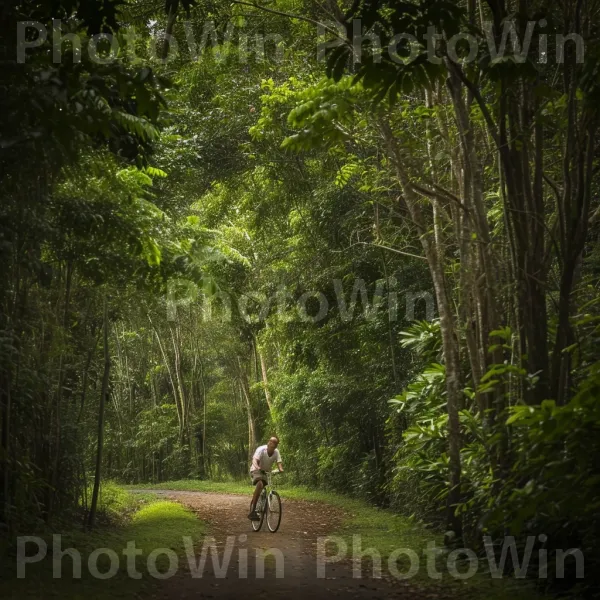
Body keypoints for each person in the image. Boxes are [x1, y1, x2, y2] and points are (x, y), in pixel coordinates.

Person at [248, 436, 283, 520]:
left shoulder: (276, 452)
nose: (271, 445)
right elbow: (254, 460)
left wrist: (281, 469)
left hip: (266, 472)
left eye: (274, 444)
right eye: (270, 442)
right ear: (268, 443)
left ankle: (262, 502)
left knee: (263, 488)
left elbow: (279, 463)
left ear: (276, 446)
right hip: (256, 470)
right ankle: (253, 511)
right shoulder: (261, 449)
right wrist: (257, 467)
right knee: (260, 484)